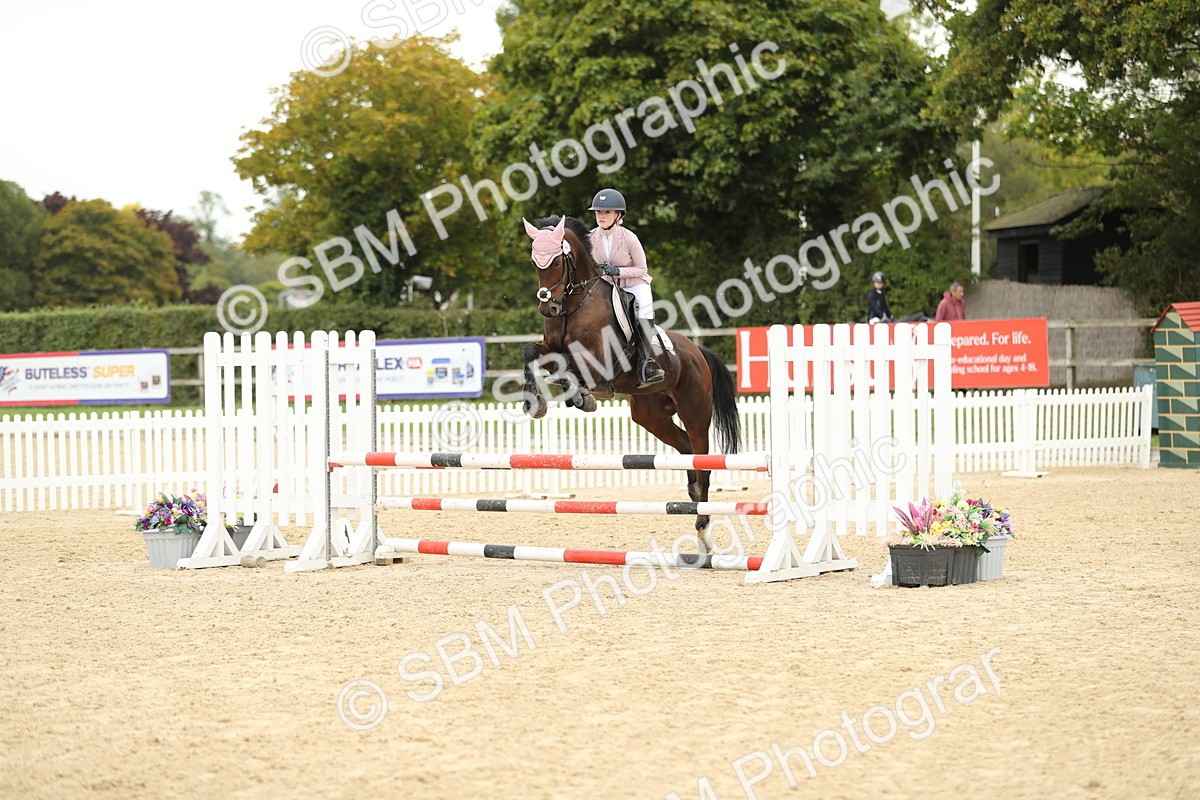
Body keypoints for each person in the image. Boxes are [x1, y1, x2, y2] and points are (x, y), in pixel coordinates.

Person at [588, 188, 664, 387]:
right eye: (598, 212)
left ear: (618, 215)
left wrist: (618, 271)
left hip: (635, 284)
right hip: (608, 285)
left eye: (606, 212)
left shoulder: (629, 238)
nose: (601, 216)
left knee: (645, 310)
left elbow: (642, 269)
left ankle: (646, 363)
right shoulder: (590, 238)